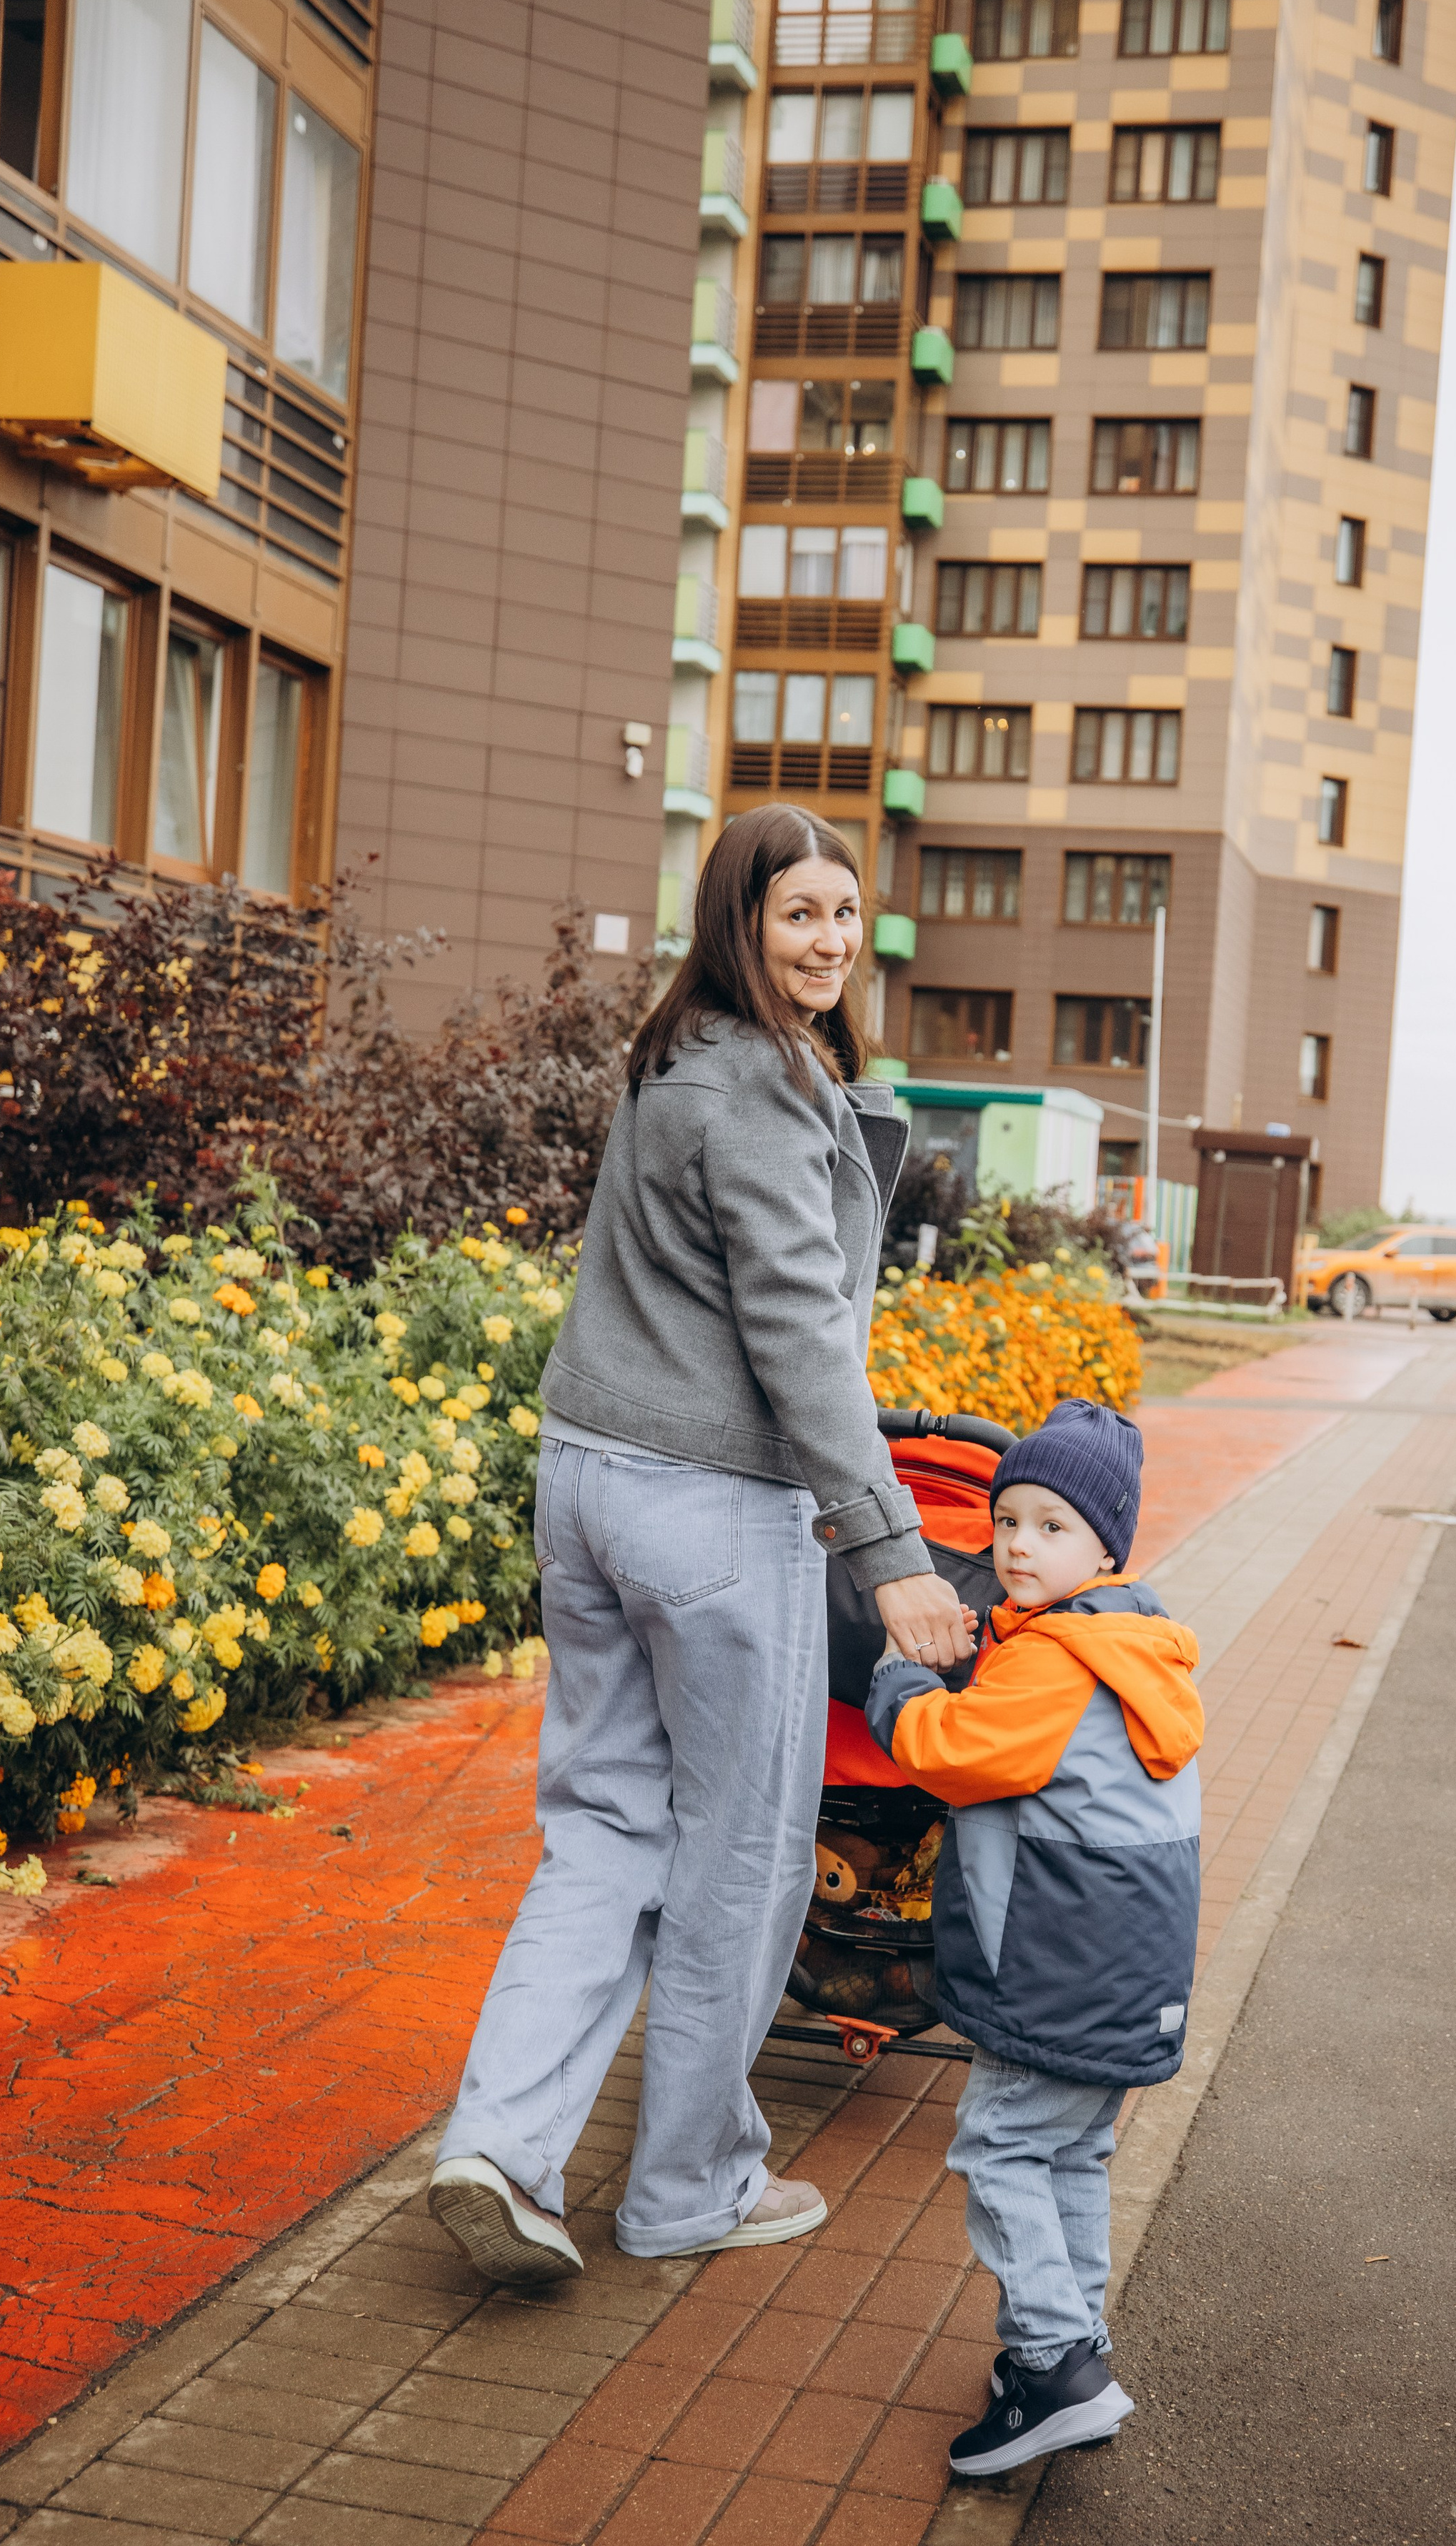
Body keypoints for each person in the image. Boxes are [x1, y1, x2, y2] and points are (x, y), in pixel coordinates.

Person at [428, 805, 972, 2284]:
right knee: (740, 1854)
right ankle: (686, 2186)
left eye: (844, 913)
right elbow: (801, 1336)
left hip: (588, 1478)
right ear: (742, 919)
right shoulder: (762, 1090)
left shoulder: (671, 1062)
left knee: (603, 1826)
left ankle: (499, 2144)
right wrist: (894, 1554)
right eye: (799, 913)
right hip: (711, 1504)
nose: (830, 940)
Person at [865, 1398, 1204, 2477]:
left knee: (1001, 2145)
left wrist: (900, 1674)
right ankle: (1073, 2344)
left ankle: (1055, 2364)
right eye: (1007, 1520)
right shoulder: (1130, 1642)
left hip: (1056, 1966)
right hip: (1126, 1971)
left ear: (1106, 1549)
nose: (1017, 1544)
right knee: (1072, 2150)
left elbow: (948, 1751)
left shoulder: (1056, 1657)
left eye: (1052, 1526)